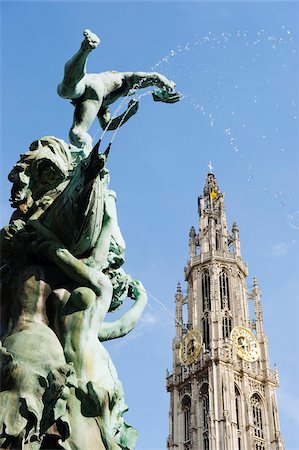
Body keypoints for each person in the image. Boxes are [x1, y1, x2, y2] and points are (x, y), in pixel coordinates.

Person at [57, 29, 181, 150]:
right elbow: (153, 77)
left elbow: (107, 125)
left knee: (75, 127)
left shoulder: (104, 105)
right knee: (66, 92)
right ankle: (86, 49)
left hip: (88, 93)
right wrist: (166, 85)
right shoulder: (122, 78)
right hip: (92, 85)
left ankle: (85, 49)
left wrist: (129, 113)